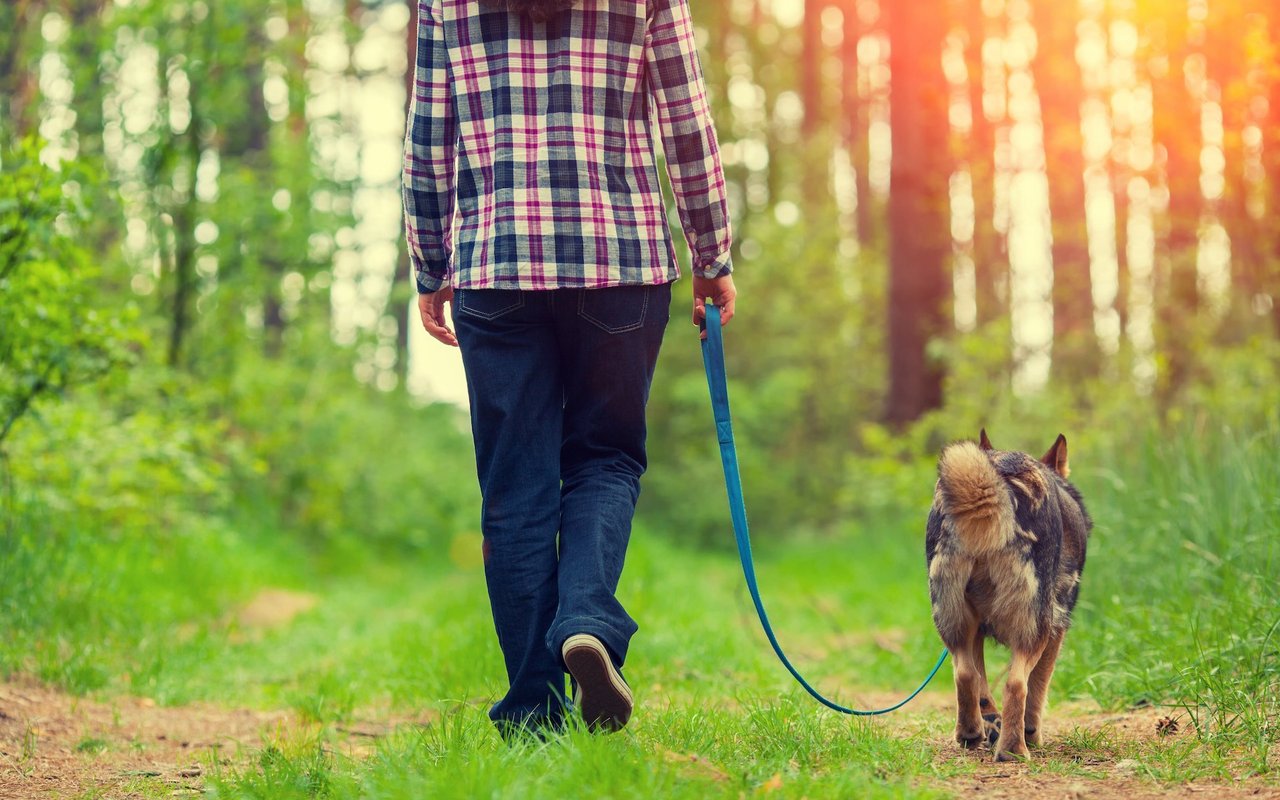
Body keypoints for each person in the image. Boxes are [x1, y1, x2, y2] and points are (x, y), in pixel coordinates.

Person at [403, 0, 736, 737]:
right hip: (620, 259)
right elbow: (685, 115)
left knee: (515, 488)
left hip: (497, 263)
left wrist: (430, 263)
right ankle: (586, 617)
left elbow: (431, 135)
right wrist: (712, 254)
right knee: (605, 459)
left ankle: (531, 712)